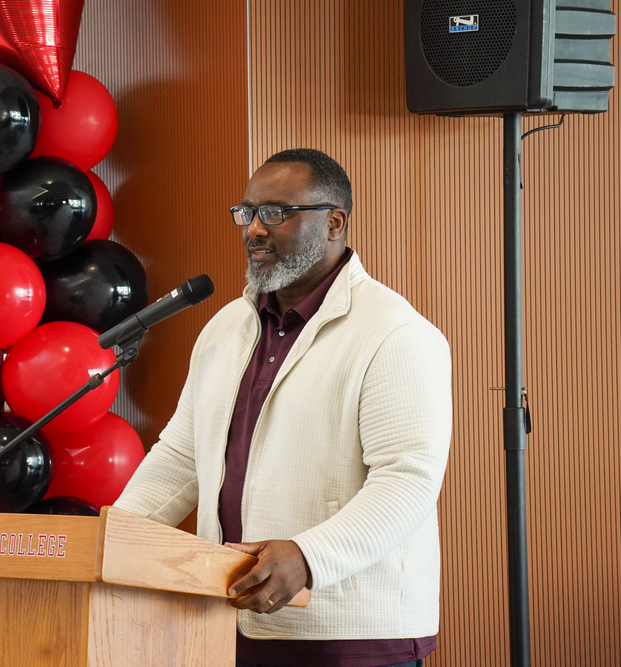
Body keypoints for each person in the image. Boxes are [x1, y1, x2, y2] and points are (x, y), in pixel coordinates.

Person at [114, 148, 452, 667]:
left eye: (275, 213)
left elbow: (406, 480)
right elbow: (182, 456)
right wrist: (114, 539)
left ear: (334, 222)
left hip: (349, 636)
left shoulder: (396, 334)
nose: (252, 229)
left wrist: (309, 557)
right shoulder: (225, 328)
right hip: (226, 623)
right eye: (246, 212)